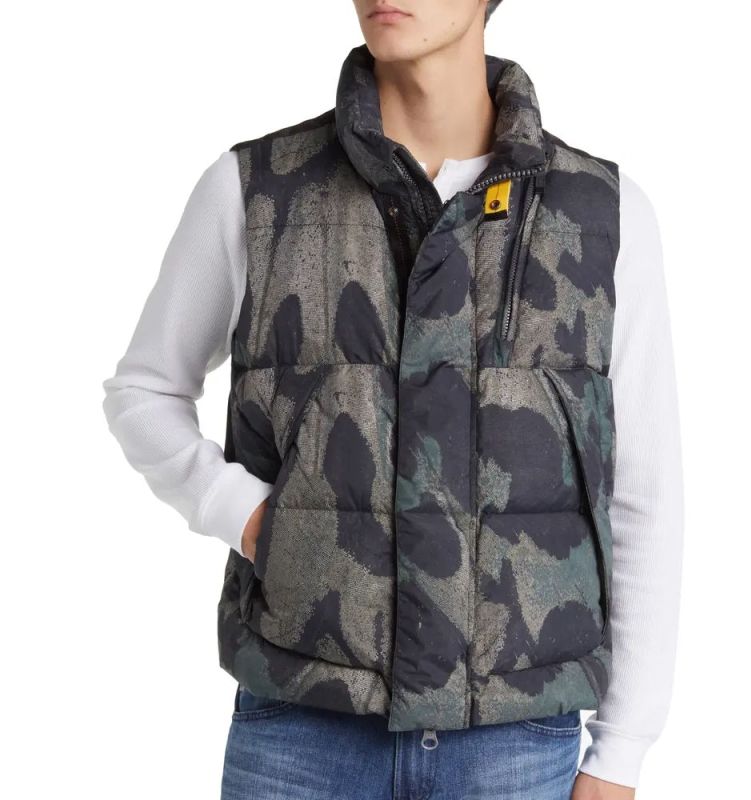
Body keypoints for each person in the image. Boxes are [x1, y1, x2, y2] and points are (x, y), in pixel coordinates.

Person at [101, 1, 684, 798]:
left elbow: (644, 495)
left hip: (514, 748)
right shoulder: (258, 191)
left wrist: (622, 755)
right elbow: (144, 390)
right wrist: (245, 514)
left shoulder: (598, 213)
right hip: (302, 733)